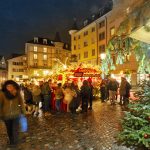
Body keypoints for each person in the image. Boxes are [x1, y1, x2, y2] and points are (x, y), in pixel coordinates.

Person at [0, 80, 26, 146]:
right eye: (7, 86)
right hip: (6, 115)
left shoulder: (17, 93)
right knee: (9, 129)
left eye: (10, 86)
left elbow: (21, 102)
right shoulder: (2, 94)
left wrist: (23, 111)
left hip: (16, 114)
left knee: (15, 129)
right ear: (5, 87)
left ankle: (14, 142)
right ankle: (11, 139)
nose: (9, 87)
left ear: (14, 86)